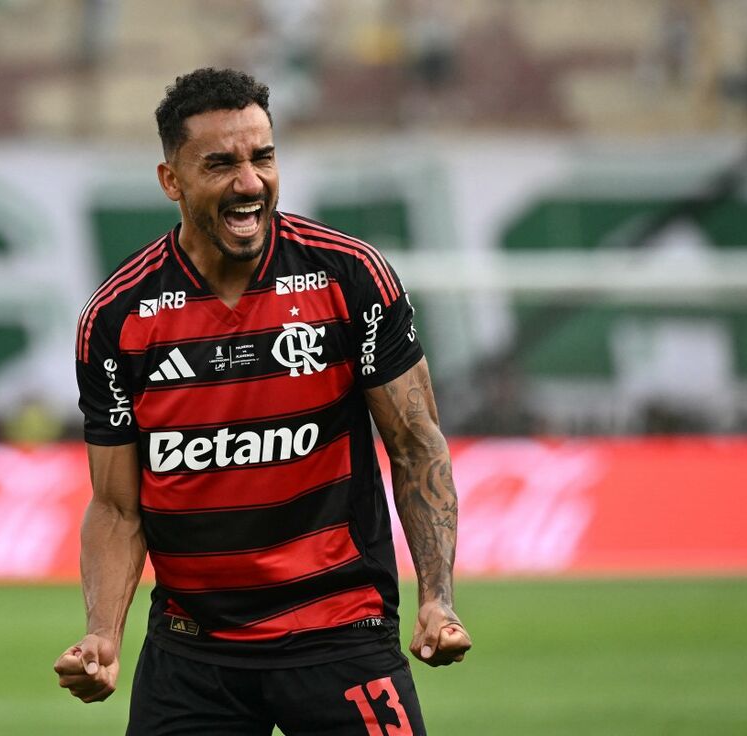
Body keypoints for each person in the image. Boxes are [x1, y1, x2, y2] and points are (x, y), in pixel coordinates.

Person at [54, 67, 470, 735]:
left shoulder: (350, 277)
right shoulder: (119, 317)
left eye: (263, 157)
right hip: (193, 651)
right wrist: (103, 635)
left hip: (342, 633)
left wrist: (438, 599)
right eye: (220, 163)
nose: (250, 183)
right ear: (172, 182)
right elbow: (115, 504)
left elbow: (416, 445)